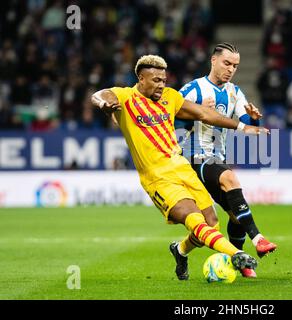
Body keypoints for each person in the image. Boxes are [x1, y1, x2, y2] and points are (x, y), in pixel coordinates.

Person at [91, 54, 269, 280]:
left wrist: (244, 127)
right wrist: (104, 104)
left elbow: (205, 114)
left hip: (182, 168)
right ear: (141, 78)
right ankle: (237, 254)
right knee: (194, 220)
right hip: (158, 178)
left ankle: (180, 250)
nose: (161, 85)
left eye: (163, 80)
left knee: (211, 224)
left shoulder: (170, 97)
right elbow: (99, 94)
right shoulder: (125, 97)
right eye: (155, 80)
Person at [175, 43, 278, 279]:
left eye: (236, 66)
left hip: (216, 159)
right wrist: (196, 112)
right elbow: (171, 121)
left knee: (230, 219)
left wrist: (253, 120)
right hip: (192, 159)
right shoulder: (193, 90)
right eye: (227, 63)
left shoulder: (234, 92)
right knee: (230, 178)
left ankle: (180, 250)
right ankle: (259, 239)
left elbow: (246, 124)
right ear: (213, 60)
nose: (231, 69)